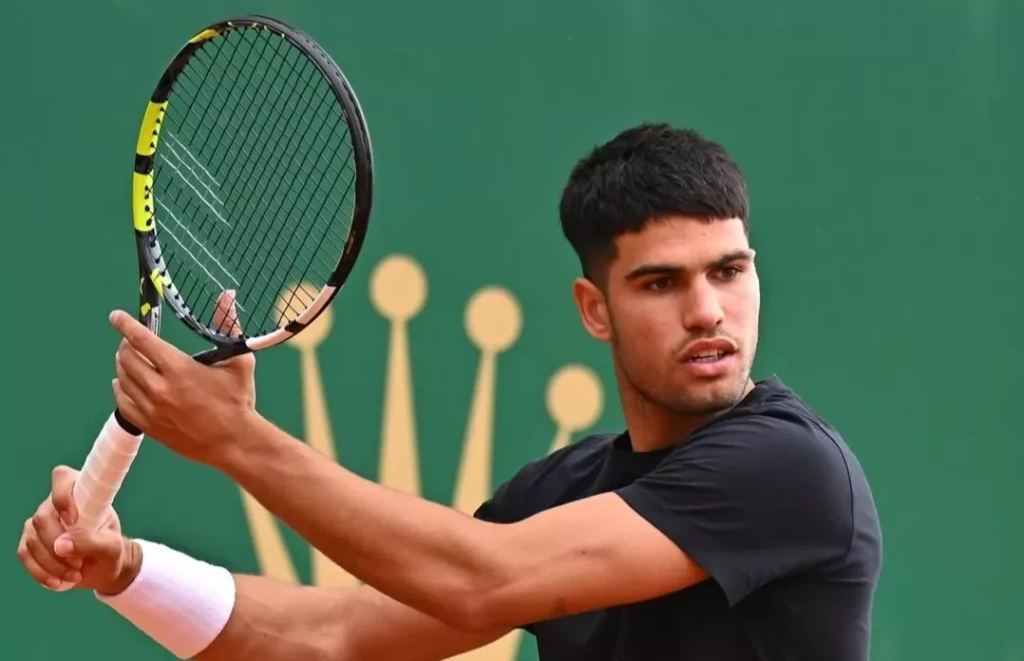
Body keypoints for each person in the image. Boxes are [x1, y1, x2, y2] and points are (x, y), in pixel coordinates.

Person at [17, 123, 882, 660]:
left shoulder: (789, 467)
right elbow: (331, 638)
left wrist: (238, 441)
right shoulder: (560, 492)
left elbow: (483, 581)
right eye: (661, 283)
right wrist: (126, 570)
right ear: (595, 309)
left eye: (729, 271)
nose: (707, 310)